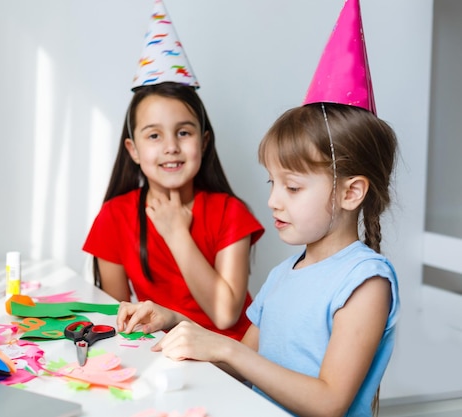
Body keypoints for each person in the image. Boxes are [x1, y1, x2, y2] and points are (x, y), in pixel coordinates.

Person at [116, 1, 400, 415]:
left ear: (351, 193)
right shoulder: (282, 276)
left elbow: (329, 403)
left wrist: (227, 350)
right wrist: (176, 322)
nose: (273, 200)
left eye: (293, 186)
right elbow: (236, 366)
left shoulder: (366, 283)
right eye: (273, 183)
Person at [83, 0, 264, 341]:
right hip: (164, 357)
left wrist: (176, 232)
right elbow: (119, 318)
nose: (171, 147)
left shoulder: (230, 213)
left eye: (184, 132)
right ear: (133, 150)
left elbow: (225, 316)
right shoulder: (114, 217)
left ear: (204, 142)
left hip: (234, 360)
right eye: (154, 135)